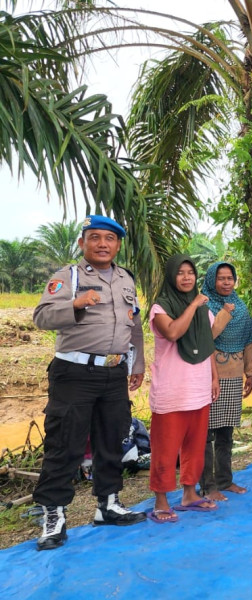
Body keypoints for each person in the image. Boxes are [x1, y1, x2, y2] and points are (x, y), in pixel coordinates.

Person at [31, 215, 146, 550]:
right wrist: (75, 304)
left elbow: (133, 325)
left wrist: (136, 363)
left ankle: (107, 505)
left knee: (111, 439)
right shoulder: (68, 276)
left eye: (109, 239)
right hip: (74, 373)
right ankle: (54, 515)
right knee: (64, 443)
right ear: (82, 243)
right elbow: (42, 317)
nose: (102, 244)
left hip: (114, 373)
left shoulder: (125, 279)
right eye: (94, 238)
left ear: (118, 245)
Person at [149, 255, 220, 522]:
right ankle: (161, 500)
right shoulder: (161, 307)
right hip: (171, 390)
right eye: (180, 273)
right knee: (165, 449)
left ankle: (190, 494)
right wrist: (193, 306)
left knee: (195, 445)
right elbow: (173, 333)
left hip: (199, 388)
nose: (187, 277)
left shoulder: (205, 310)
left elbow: (207, 345)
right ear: (171, 276)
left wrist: (214, 378)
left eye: (190, 272)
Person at [198, 261, 252, 502]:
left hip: (233, 375)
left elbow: (248, 341)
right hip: (210, 376)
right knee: (206, 433)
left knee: (226, 432)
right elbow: (207, 337)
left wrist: (251, 373)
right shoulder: (203, 304)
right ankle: (208, 485)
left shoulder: (240, 307)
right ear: (212, 280)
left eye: (229, 278)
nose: (225, 283)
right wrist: (224, 313)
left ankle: (224, 479)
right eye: (220, 278)